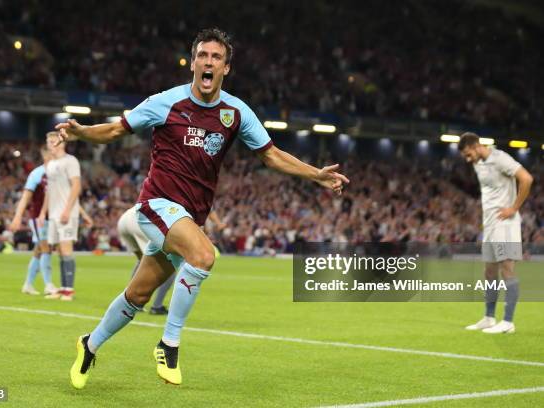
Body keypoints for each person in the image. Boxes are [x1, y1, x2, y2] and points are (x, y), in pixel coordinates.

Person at [57, 28, 348, 388]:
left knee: (138, 294)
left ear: (226, 68)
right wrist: (82, 132)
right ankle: (169, 344)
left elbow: (271, 155)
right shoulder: (166, 102)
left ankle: (90, 344)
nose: (209, 62)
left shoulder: (236, 112)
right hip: (156, 206)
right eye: (203, 56)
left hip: (188, 217)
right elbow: (117, 130)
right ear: (193, 62)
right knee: (204, 255)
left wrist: (316, 175)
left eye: (217, 58)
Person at [459, 132, 533, 334]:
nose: (467, 158)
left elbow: (526, 179)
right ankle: (489, 318)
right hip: (490, 225)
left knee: (507, 269)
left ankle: (508, 322)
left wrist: (514, 208)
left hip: (505, 224)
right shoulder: (477, 164)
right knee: (489, 272)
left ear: (476, 145)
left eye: (468, 153)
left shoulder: (500, 159)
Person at [118, 207, 226, 315]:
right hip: (145, 219)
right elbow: (207, 211)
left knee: (142, 261)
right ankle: (156, 306)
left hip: (128, 217)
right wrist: (218, 224)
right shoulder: (197, 201)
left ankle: (130, 302)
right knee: (169, 265)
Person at [8, 144, 57, 295]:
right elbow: (26, 197)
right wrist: (17, 216)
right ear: (47, 155)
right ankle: (48, 284)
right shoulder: (37, 174)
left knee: (38, 251)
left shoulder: (57, 173)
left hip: (52, 218)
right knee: (45, 248)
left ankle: (28, 284)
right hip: (38, 218)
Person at [41, 131, 83, 301]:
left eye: (52, 141)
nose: (49, 144)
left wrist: (67, 210)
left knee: (66, 249)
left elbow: (76, 186)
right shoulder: (50, 164)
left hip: (67, 212)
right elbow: (48, 190)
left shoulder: (70, 161)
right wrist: (43, 211)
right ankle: (63, 287)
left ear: (61, 143)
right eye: (48, 141)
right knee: (59, 250)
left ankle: (69, 290)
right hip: (54, 213)